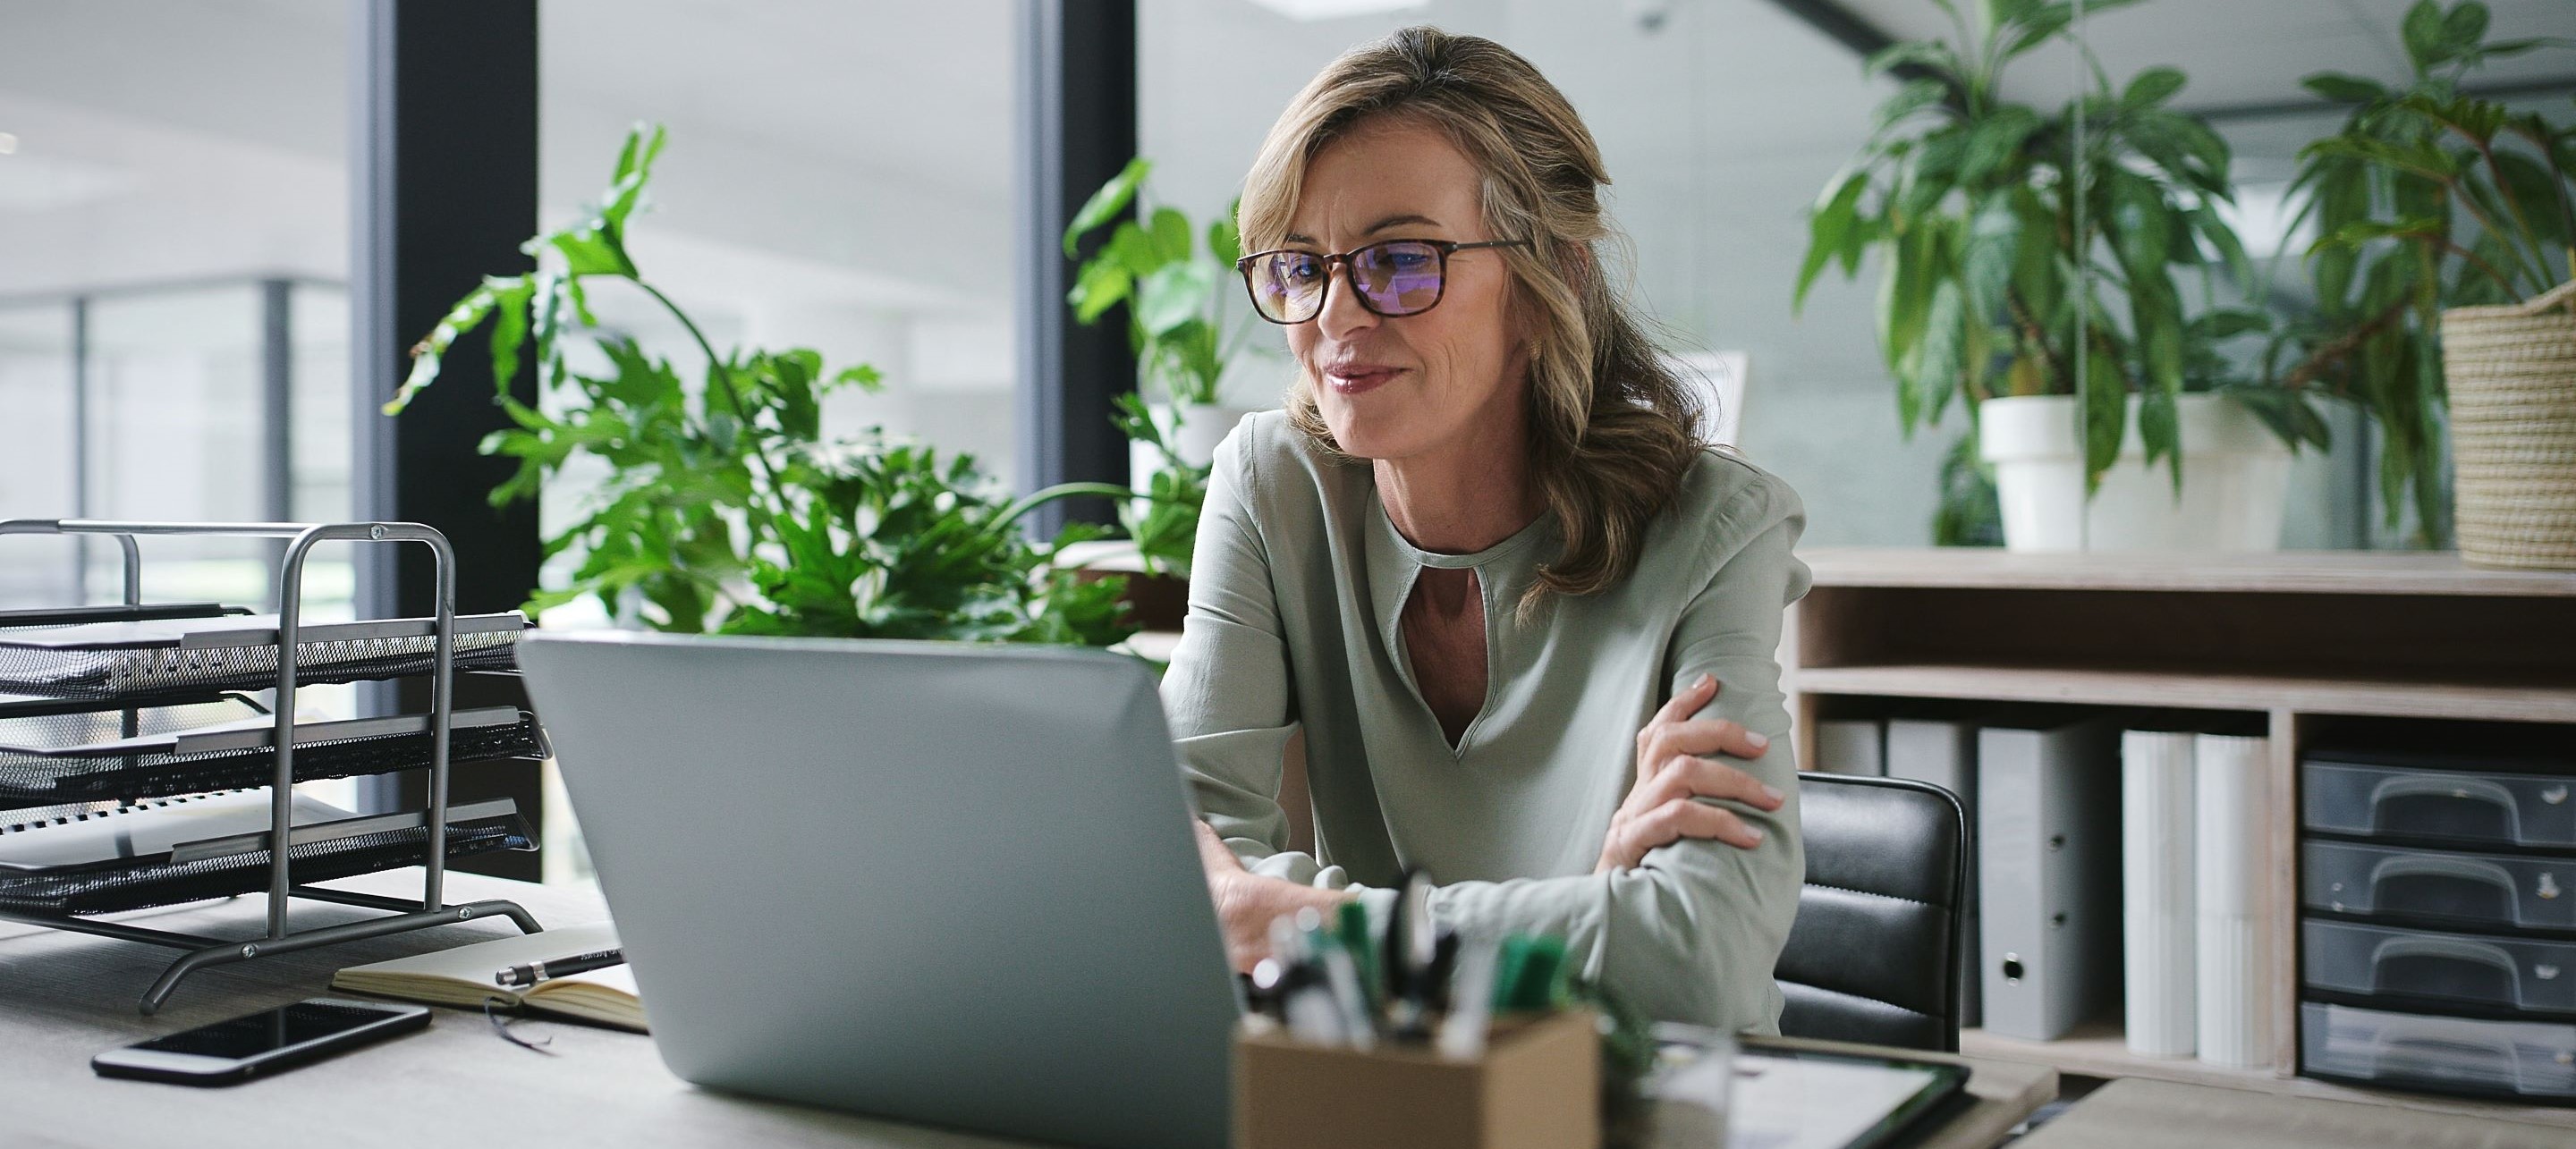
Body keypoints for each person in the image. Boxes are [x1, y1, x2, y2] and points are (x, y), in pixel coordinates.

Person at [1162, 25, 1809, 1032]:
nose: (1336, 314)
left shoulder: (1716, 529)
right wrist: (1585, 920)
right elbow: (1170, 877)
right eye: (1299, 265)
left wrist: (1294, 920)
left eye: (1401, 261)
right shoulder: (1272, 484)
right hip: (1379, 1104)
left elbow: (1699, 959)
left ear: (1552, 281)